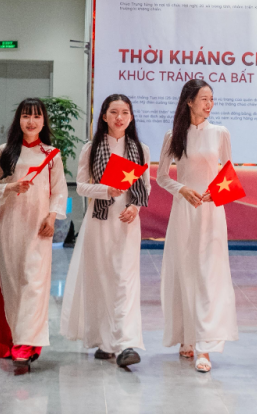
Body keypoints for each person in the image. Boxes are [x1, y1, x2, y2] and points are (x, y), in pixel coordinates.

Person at [0, 98, 67, 373]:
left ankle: (25, 346)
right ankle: (16, 340)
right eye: (26, 116)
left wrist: (51, 217)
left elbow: (59, 190)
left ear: (44, 121)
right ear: (19, 120)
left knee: (34, 283)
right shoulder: (5, 152)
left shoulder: (52, 155)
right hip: (11, 226)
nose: (31, 121)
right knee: (13, 283)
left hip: (39, 227)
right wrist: (11, 187)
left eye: (37, 116)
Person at [62, 94, 149, 368]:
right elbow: (81, 186)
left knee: (125, 280)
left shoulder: (140, 149)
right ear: (103, 116)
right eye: (114, 112)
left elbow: (144, 186)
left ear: (131, 117)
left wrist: (135, 207)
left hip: (127, 222)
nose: (119, 117)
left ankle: (126, 343)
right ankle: (105, 341)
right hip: (99, 221)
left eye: (125, 112)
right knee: (101, 279)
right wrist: (105, 190)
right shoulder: (91, 148)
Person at [157, 79, 237, 373]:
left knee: (208, 275)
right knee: (185, 271)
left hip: (211, 212)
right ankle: (187, 336)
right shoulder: (173, 136)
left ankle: (205, 346)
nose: (209, 104)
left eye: (211, 99)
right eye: (204, 98)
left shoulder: (220, 133)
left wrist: (217, 193)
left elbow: (229, 174)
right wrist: (181, 190)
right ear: (189, 101)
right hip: (184, 211)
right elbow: (162, 177)